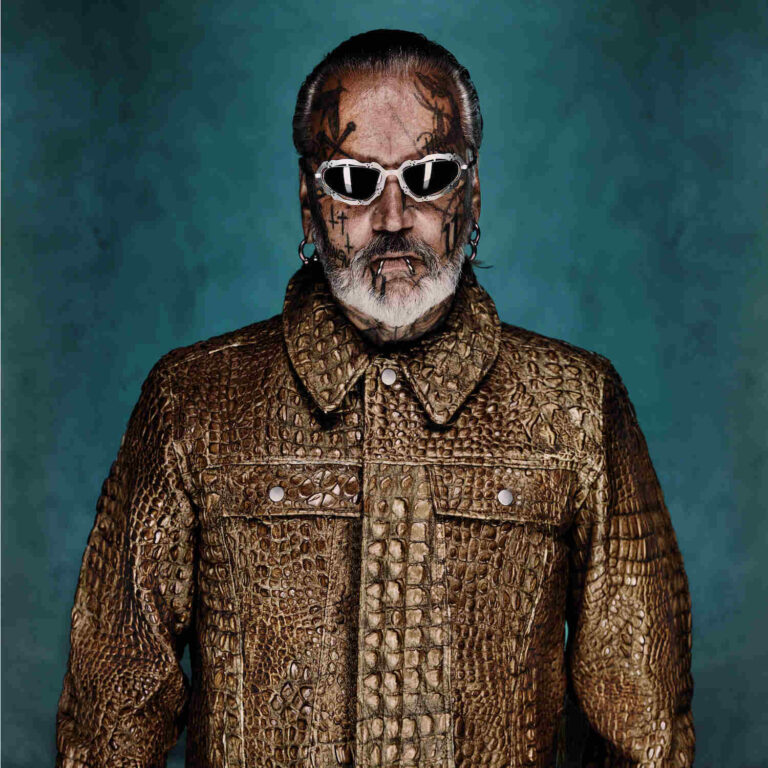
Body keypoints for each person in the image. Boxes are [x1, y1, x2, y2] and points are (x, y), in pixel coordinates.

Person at [55, 29, 695, 768]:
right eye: (354, 182)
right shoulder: (192, 403)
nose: (393, 217)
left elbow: (645, 734)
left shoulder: (578, 406)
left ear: (472, 193)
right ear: (308, 204)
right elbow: (109, 724)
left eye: (429, 175)